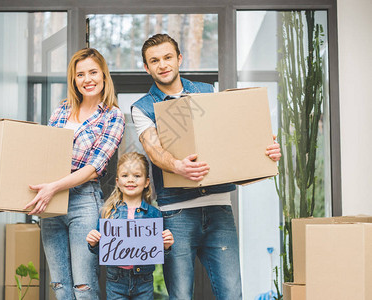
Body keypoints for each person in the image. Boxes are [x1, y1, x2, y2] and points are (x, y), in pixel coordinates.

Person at [131, 34, 282, 300]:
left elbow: (234, 137)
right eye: (154, 61)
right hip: (175, 213)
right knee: (180, 296)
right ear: (146, 67)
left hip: (218, 208)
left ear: (179, 59)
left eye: (167, 57)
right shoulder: (142, 108)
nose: (162, 64)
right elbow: (153, 150)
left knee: (232, 294)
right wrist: (177, 166)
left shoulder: (207, 92)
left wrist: (265, 150)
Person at [24, 48, 125, 300]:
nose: (87, 79)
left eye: (93, 72)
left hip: (83, 202)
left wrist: (53, 187)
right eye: (80, 74)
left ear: (103, 76)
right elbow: (47, 153)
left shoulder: (113, 116)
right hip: (52, 201)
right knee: (59, 285)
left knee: (83, 286)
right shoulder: (61, 110)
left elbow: (93, 169)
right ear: (74, 79)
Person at [86, 152, 174, 300]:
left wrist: (166, 245)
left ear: (146, 182)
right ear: (118, 182)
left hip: (144, 280)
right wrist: (93, 243)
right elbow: (101, 250)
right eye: (125, 176)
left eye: (137, 176)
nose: (131, 180)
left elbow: (157, 251)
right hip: (116, 281)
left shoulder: (154, 214)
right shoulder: (107, 212)